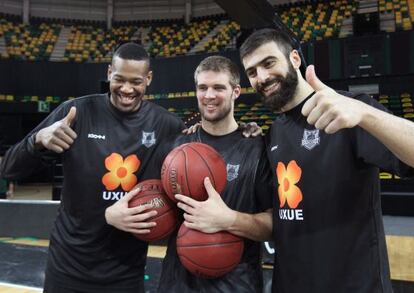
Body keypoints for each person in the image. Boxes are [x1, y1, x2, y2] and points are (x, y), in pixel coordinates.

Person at [0, 42, 186, 293]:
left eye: (136, 82)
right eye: (119, 79)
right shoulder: (76, 113)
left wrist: (243, 131)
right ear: (109, 73)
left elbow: (199, 160)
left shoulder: (167, 125)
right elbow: (9, 169)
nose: (127, 89)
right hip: (66, 270)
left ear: (149, 78)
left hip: (125, 275)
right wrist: (38, 140)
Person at [239, 28, 414, 293]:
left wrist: (366, 115)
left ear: (295, 59)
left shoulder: (348, 109)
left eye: (269, 63)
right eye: (252, 72)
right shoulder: (274, 131)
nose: (261, 77)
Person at [158, 55, 273, 292]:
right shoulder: (176, 146)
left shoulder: (258, 148)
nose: (209, 95)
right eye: (203, 88)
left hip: (237, 284)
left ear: (236, 91)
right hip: (177, 283)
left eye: (218, 88)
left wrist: (228, 219)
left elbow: (275, 224)